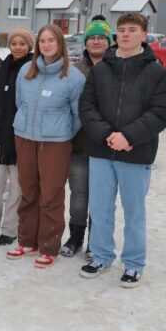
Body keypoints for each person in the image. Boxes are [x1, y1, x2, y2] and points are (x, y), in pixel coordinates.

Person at [79, 12, 166, 287]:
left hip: (136, 152)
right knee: (100, 208)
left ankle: (133, 263)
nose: (126, 34)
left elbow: (159, 114)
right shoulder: (100, 69)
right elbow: (87, 107)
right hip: (101, 150)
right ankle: (101, 255)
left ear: (144, 35)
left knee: (134, 212)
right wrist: (108, 135)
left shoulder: (156, 71)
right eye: (121, 30)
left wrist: (128, 136)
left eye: (132, 29)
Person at [6, 24, 85, 268]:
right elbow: (20, 103)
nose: (46, 45)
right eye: (42, 41)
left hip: (55, 144)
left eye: (51, 40)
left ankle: (49, 246)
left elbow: (77, 115)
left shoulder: (74, 77)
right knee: (28, 191)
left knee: (51, 194)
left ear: (60, 43)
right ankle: (27, 241)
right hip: (25, 138)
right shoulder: (26, 72)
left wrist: (59, 133)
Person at [60, 19, 113, 259]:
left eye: (101, 37)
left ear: (109, 41)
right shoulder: (75, 70)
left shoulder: (117, 67)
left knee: (102, 197)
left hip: (107, 145)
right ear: (86, 42)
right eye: (92, 37)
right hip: (79, 143)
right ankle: (76, 237)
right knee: (79, 193)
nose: (96, 41)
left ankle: (96, 241)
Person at [0, 26, 34, 245]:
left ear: (29, 46)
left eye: (22, 43)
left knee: (17, 186)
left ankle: (10, 229)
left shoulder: (33, 71)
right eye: (14, 43)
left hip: (22, 140)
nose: (18, 47)